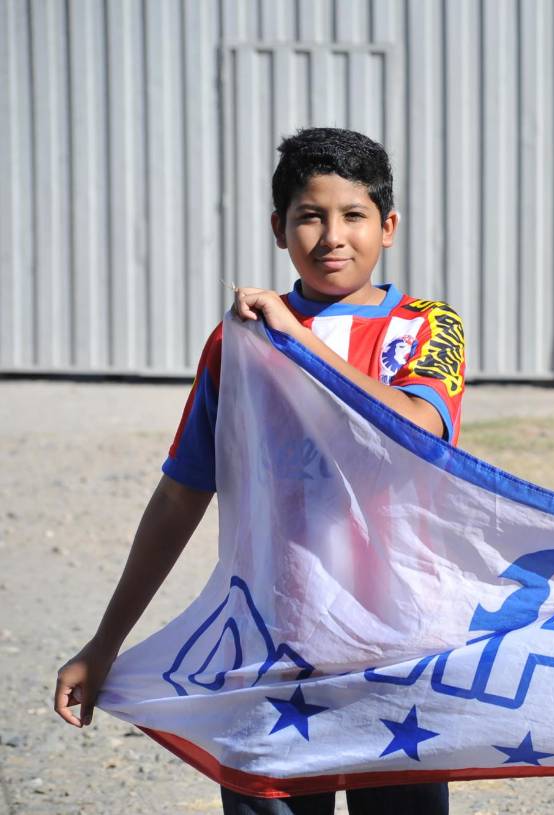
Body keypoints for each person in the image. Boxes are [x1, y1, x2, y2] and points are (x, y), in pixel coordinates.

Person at [53, 128, 461, 815]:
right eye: (310, 215)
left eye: (354, 215)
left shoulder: (426, 325)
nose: (333, 235)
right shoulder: (239, 341)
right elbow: (182, 494)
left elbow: (415, 428)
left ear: (388, 226)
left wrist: (296, 337)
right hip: (272, 649)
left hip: (397, 651)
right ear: (279, 229)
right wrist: (105, 640)